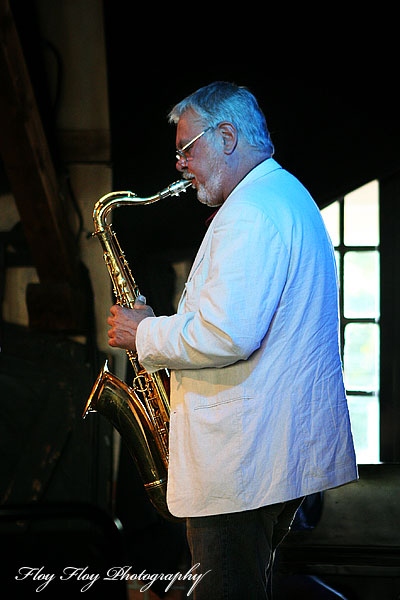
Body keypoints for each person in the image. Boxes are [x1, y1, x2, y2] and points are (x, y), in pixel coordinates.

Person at [107, 81, 358, 599]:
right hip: (261, 458)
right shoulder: (281, 196)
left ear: (226, 136)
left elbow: (227, 333)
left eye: (185, 148)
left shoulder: (251, 212)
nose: (179, 164)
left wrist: (144, 332)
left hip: (240, 470)